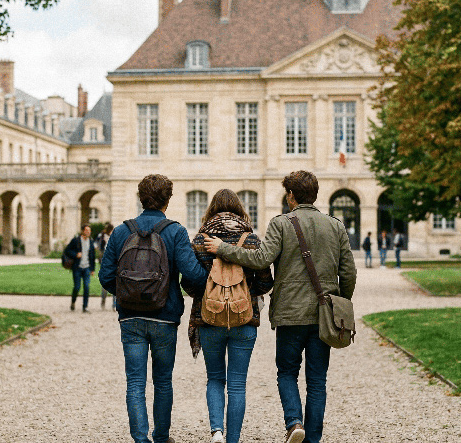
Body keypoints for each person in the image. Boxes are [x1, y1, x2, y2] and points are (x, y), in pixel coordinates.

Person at [204, 171, 356, 443]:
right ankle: (313, 439)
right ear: (316, 195)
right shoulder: (335, 226)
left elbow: (261, 259)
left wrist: (223, 249)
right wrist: (341, 302)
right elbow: (349, 272)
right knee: (317, 380)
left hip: (290, 313)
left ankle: (294, 422)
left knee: (287, 371)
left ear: (291, 196)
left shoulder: (282, 223)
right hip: (325, 313)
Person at [98, 174, 208, 443]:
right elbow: (192, 274)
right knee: (163, 381)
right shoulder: (175, 231)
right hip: (164, 315)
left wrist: (128, 293)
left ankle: (140, 439)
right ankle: (161, 437)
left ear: (140, 197)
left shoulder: (122, 231)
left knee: (135, 382)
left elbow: (105, 276)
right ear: (168, 200)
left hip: (130, 316)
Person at [189, 189, 274, 443]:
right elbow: (265, 282)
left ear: (211, 210)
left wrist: (207, 293)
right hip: (244, 318)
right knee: (237, 383)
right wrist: (247, 294)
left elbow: (190, 283)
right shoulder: (251, 239)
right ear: (240, 210)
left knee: (215, 378)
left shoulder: (201, 239)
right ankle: (233, 439)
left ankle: (217, 430)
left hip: (209, 318)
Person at [64, 225, 96, 312]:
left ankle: (85, 307)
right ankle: (73, 302)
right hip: (77, 268)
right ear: (82, 231)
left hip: (87, 268)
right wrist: (75, 254)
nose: (88, 232)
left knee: (86, 287)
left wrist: (92, 269)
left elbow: (92, 256)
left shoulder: (91, 241)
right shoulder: (76, 240)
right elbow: (67, 250)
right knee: (77, 287)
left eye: (89, 230)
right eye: (86, 230)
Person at [98, 222, 115, 310]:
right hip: (105, 263)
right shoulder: (102, 237)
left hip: (114, 263)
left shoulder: (115, 238)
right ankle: (103, 301)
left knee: (115, 283)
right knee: (105, 284)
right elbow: (100, 250)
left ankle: (114, 305)